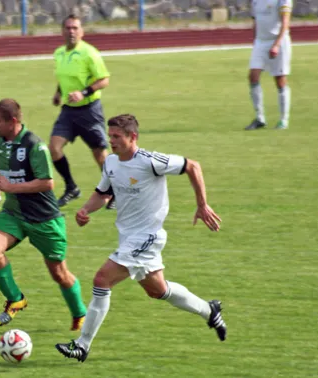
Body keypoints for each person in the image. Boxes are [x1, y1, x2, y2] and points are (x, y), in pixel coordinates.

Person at [55, 114, 227, 362]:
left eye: (117, 136)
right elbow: (103, 193)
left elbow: (193, 166)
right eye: (109, 135)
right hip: (128, 238)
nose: (111, 141)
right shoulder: (111, 162)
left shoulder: (150, 161)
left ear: (132, 137)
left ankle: (82, 345)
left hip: (147, 237)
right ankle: (208, 310)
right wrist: (85, 210)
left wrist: (202, 205)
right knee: (158, 290)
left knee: (102, 279)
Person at [0, 98, 87, 331]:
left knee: (59, 274)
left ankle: (80, 313)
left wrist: (10, 187)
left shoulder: (34, 146)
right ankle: (15, 299)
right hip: (14, 214)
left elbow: (47, 184)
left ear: (13, 121)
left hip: (44, 219)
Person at [50, 14, 115, 209]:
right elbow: (65, 77)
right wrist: (58, 93)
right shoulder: (59, 53)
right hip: (68, 111)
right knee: (54, 148)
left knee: (100, 154)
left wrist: (83, 93)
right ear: (62, 31)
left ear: (81, 31)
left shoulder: (89, 53)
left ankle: (115, 191)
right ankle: (71, 187)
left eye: (75, 28)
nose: (71, 31)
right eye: (68, 28)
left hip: (89, 111)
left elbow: (104, 80)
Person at [245, 0, 292, 130]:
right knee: (253, 77)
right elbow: (255, 22)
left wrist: (276, 45)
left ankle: (283, 120)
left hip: (278, 41)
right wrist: (255, 41)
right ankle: (260, 118)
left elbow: (285, 23)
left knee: (280, 80)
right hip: (260, 42)